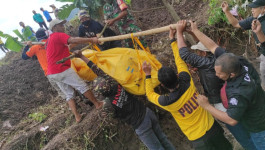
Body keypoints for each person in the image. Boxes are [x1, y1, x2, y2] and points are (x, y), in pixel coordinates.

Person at [142, 21, 232, 150]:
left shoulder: (166, 101)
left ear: (162, 85)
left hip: (198, 140)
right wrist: (172, 40)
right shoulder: (186, 79)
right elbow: (180, 59)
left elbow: (150, 95)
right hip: (212, 127)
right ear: (177, 75)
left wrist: (147, 75)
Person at [73, 50, 175, 150]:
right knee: (163, 139)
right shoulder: (115, 84)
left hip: (141, 125)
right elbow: (97, 69)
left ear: (99, 93)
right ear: (107, 83)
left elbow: (112, 116)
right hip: (148, 113)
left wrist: (103, 110)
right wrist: (82, 56)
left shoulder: (108, 105)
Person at [187, 19, 265, 150]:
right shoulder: (236, 61)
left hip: (259, 128)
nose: (217, 75)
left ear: (232, 75)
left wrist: (206, 106)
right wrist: (195, 31)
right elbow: (212, 46)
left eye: (220, 74)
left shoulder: (240, 91)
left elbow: (231, 120)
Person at [46, 19, 104, 123]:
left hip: (52, 73)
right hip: (61, 69)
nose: (63, 27)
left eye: (63, 25)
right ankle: (97, 104)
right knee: (82, 86)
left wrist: (73, 51)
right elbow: (72, 40)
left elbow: (64, 48)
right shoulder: (58, 35)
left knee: (69, 94)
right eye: (60, 25)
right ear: (54, 28)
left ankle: (77, 116)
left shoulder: (49, 39)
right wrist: (91, 40)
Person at [222, 0, 265, 90]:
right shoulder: (255, 19)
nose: (252, 10)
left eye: (254, 8)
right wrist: (227, 11)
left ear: (263, 9)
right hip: (263, 53)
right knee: (263, 71)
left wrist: (259, 33)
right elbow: (236, 24)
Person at [21, 28, 64, 99]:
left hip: (50, 72)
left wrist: (27, 46)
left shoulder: (35, 47)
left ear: (37, 38)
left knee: (61, 91)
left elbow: (24, 57)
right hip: (62, 67)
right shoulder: (52, 42)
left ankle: (72, 104)